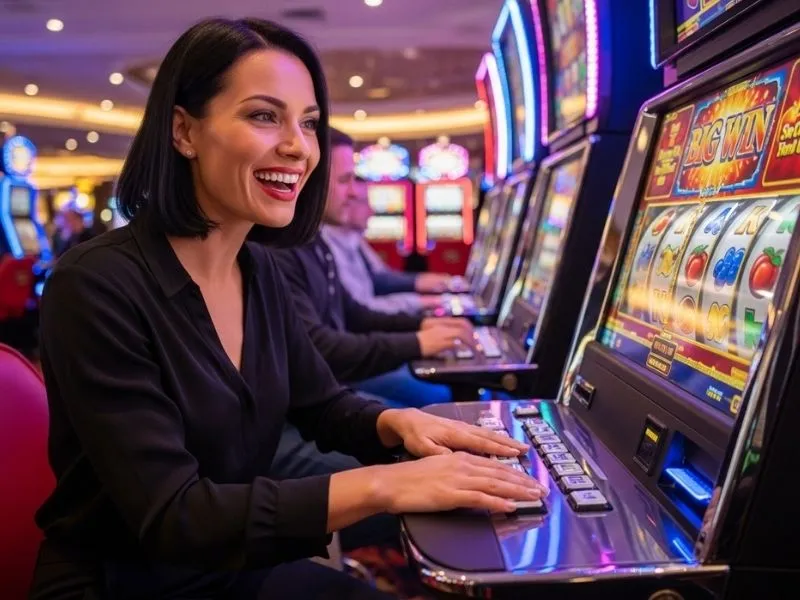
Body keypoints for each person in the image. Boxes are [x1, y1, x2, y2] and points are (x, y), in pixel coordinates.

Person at [29, 18, 546, 600]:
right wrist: (386, 484)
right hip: (128, 581)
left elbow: (322, 402)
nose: (299, 147)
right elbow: (174, 514)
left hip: (230, 565)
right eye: (263, 116)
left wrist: (398, 424)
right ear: (183, 131)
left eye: (308, 123)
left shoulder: (261, 269)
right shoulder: (96, 285)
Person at [322, 172, 442, 314]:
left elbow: (380, 279)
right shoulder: (329, 245)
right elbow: (362, 310)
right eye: (364, 201)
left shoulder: (353, 240)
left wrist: (422, 286)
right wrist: (421, 302)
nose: (371, 211)